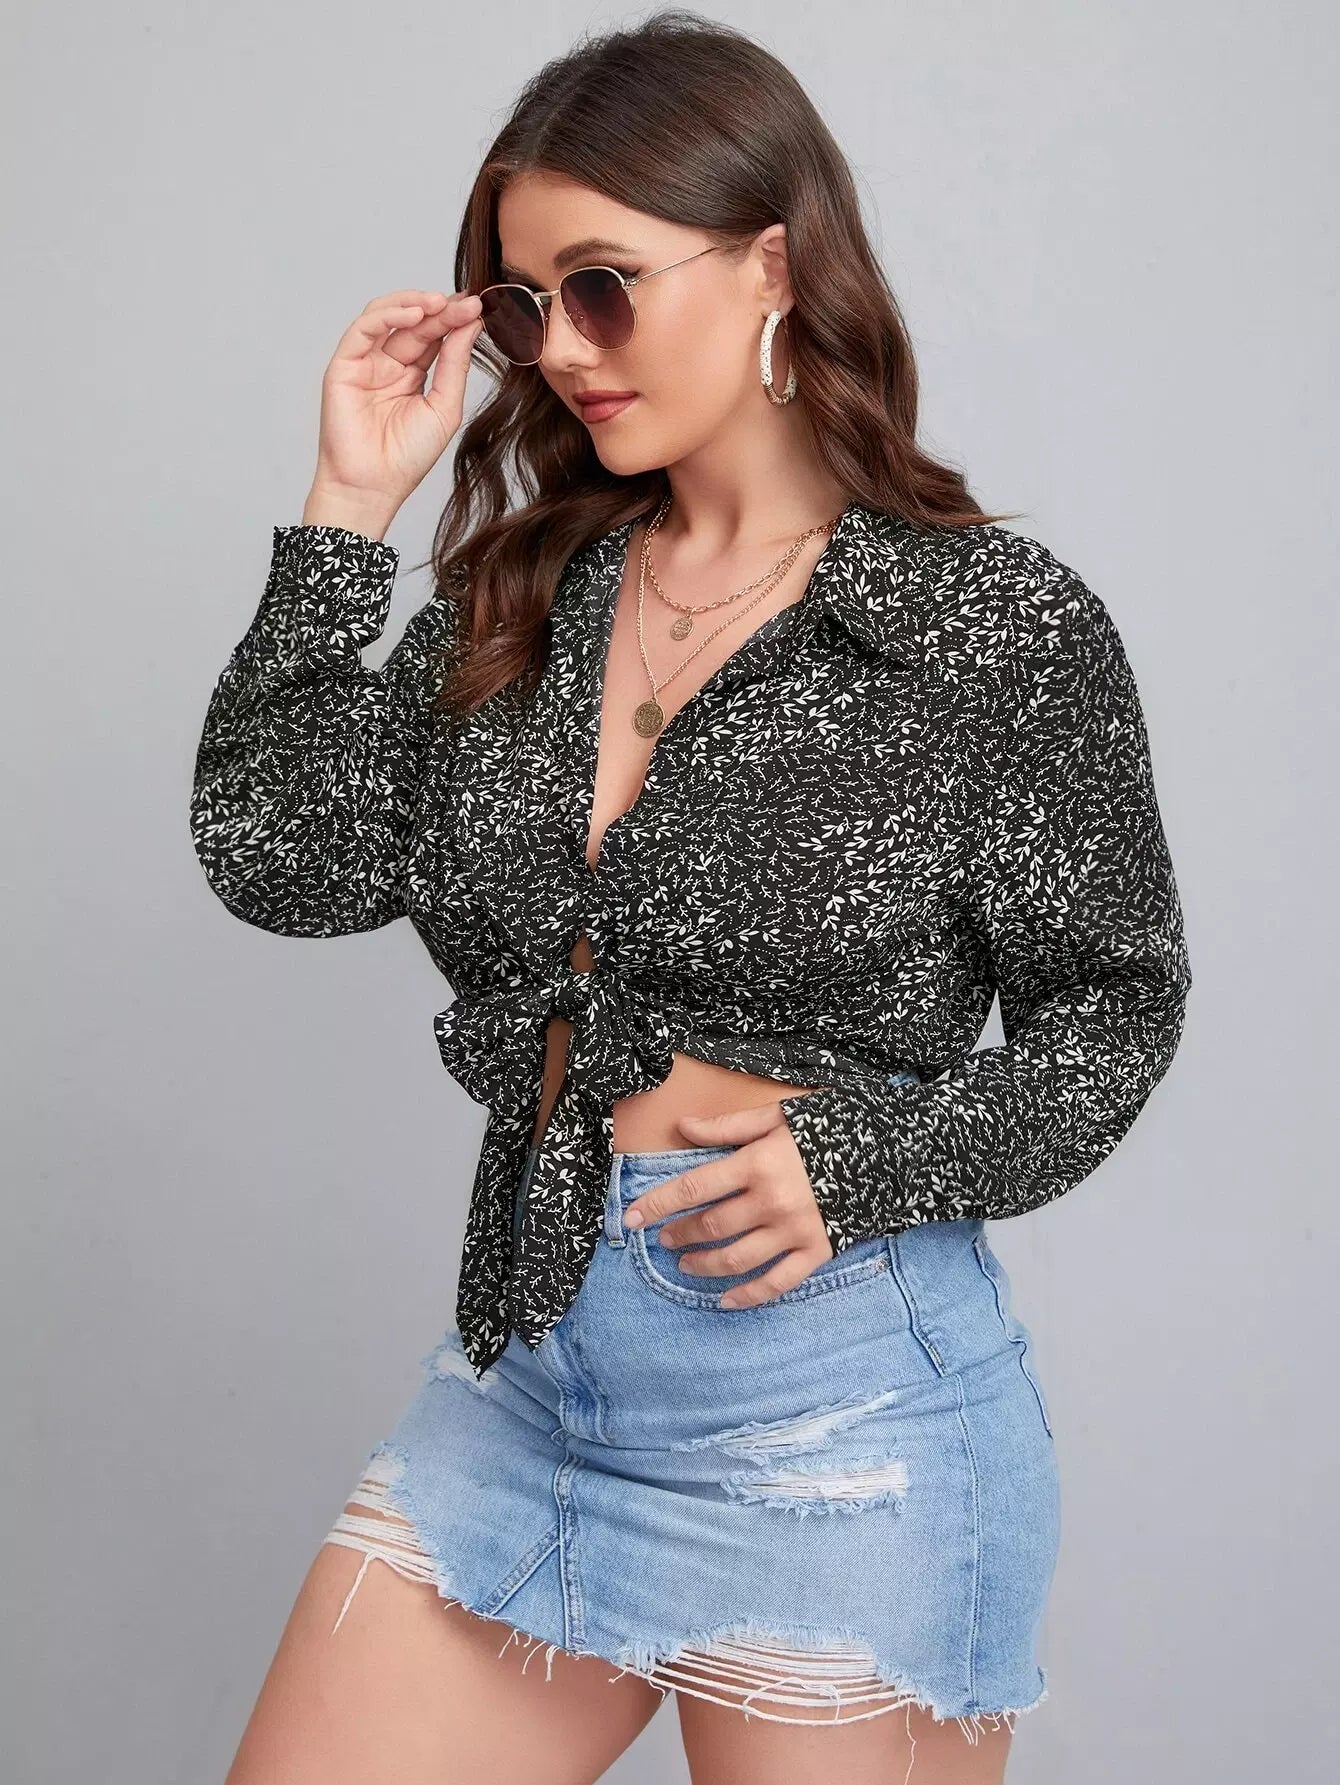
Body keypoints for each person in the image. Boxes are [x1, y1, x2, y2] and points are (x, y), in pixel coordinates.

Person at [191, 13, 1191, 1783]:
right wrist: (346, 512)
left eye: (605, 286)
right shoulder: (531, 591)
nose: (565, 350)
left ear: (771, 267)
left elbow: (1117, 1010)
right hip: (529, 1381)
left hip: (839, 1416)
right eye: (525, 306)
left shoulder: (985, 627)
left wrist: (867, 1162)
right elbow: (283, 854)